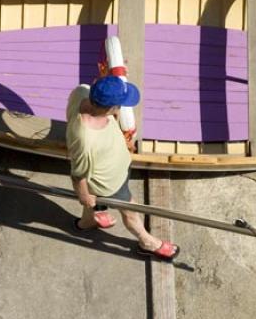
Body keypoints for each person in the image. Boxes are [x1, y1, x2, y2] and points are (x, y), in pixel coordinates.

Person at [66, 75, 179, 260]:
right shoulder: (85, 139)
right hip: (109, 182)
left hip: (116, 166)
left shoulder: (81, 92)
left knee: (97, 202)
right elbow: (78, 174)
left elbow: (78, 109)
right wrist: (84, 196)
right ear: (111, 108)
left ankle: (86, 223)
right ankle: (147, 242)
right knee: (130, 211)